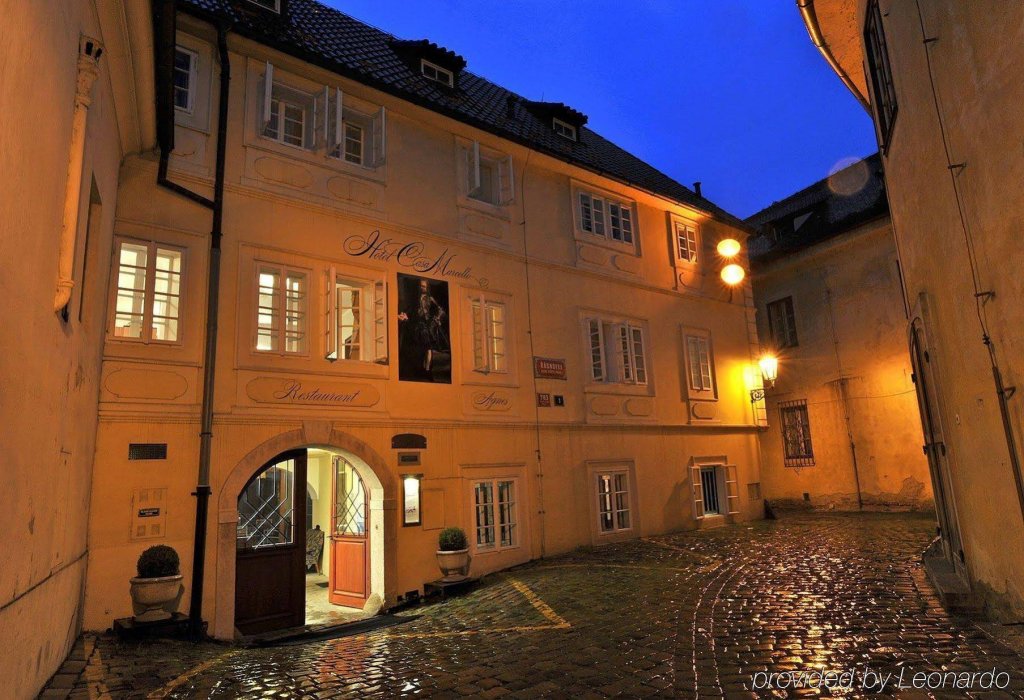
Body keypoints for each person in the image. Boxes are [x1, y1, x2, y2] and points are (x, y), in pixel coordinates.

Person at [398, 277, 450, 381]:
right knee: (422, 348)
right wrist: (405, 316)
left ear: (427, 287)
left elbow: (441, 311)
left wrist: (437, 319)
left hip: (428, 326)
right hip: (419, 326)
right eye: (421, 286)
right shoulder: (416, 299)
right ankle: (423, 369)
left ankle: (427, 369)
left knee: (428, 348)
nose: (422, 288)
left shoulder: (430, 299)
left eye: (424, 286)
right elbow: (411, 311)